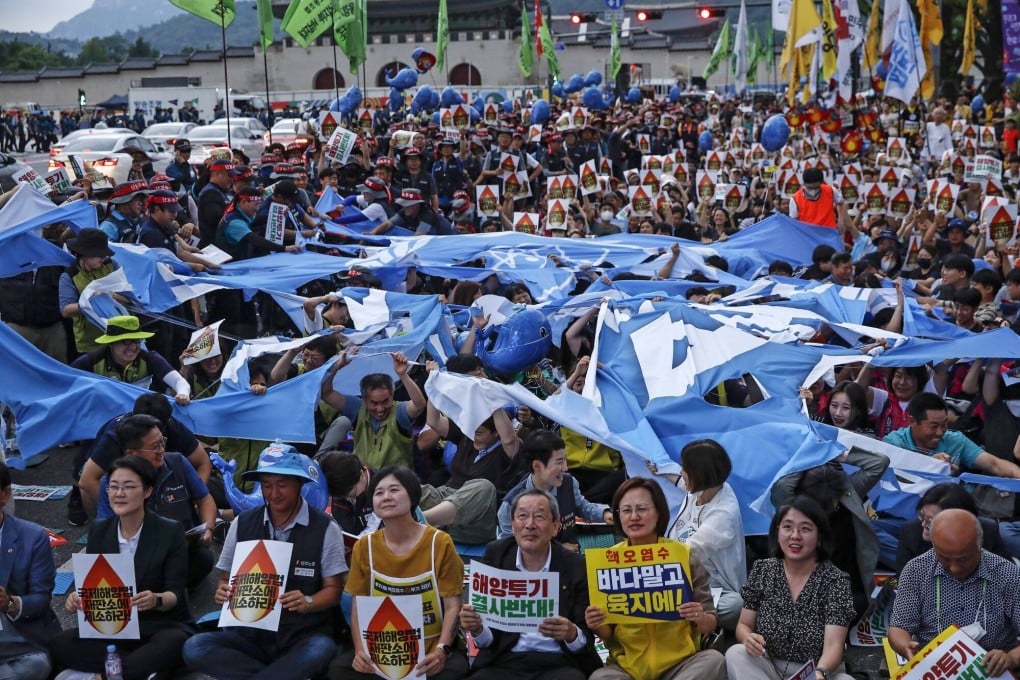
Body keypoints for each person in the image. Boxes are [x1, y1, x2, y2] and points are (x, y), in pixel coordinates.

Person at [182, 452, 347, 680]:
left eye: (282, 485)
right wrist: (223, 590)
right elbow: (225, 577)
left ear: (300, 485)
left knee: (321, 649)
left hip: (301, 633)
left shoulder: (326, 528)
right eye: (267, 485)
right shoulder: (243, 522)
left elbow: (334, 590)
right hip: (249, 634)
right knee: (195, 647)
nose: (274, 493)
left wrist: (308, 602)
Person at [50, 457, 194, 680]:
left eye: (128, 487)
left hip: (157, 626)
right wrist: (76, 598)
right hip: (113, 629)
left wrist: (155, 598)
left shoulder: (170, 531)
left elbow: (176, 594)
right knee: (59, 643)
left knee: (176, 641)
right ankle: (139, 669)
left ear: (147, 491)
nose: (119, 493)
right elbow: (93, 585)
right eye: (113, 487)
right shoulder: (100, 529)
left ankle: (107, 673)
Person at [329, 466, 470, 679]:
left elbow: (452, 605)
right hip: (383, 653)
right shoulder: (364, 547)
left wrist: (442, 649)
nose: (386, 497)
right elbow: (359, 606)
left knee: (454, 671)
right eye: (379, 493)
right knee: (340, 670)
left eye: (394, 490)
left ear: (412, 496)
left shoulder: (439, 542)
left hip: (429, 652)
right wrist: (360, 651)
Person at [584, 478, 725, 680]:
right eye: (626, 510)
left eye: (642, 508)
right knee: (600, 678)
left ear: (659, 512)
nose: (634, 517)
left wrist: (700, 617)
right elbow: (607, 634)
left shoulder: (683, 555)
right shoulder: (607, 561)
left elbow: (710, 623)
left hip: (680, 666)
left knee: (714, 660)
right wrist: (597, 623)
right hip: (628, 670)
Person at [459, 489, 603, 679]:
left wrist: (571, 633)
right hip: (505, 659)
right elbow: (487, 641)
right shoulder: (497, 554)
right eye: (523, 516)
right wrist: (477, 628)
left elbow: (585, 641)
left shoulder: (575, 565)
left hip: (558, 662)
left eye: (539, 517)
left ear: (555, 526)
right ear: (512, 524)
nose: (530, 525)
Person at [725, 496, 857, 680]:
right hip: (768, 665)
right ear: (777, 532)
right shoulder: (763, 570)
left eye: (805, 529)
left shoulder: (835, 581)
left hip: (815, 671)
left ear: (819, 536)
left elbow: (834, 646)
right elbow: (744, 624)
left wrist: (820, 673)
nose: (795, 535)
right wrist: (748, 638)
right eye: (787, 527)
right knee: (736, 653)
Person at [888, 509, 1020, 676]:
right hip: (937, 668)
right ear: (934, 545)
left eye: (963, 559)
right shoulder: (916, 570)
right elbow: (899, 626)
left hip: (993, 670)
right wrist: (904, 645)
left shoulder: (1006, 573)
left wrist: (1010, 658)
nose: (954, 568)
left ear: (979, 545)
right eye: (944, 558)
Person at [95, 414, 217, 587]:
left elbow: (205, 499)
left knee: (204, 559)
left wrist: (209, 530)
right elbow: (104, 530)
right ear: (131, 453)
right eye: (154, 447)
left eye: (162, 442)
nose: (161, 450)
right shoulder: (113, 483)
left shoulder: (178, 462)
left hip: (180, 551)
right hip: (139, 559)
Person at [649, 439, 747, 630]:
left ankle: (697, 620)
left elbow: (688, 553)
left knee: (735, 605)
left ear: (700, 475)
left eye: (685, 469)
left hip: (713, 588)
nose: (681, 473)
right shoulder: (707, 487)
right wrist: (660, 469)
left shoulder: (724, 515)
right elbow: (683, 485)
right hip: (679, 575)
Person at [497, 430, 612, 552]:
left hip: (570, 559)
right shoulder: (510, 505)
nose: (565, 468)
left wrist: (605, 514)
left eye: (565, 460)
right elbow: (509, 548)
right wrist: (556, 550)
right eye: (559, 462)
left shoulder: (569, 482)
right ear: (537, 466)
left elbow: (582, 507)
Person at [0, 460, 60, 680]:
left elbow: (41, 598)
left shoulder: (33, 537)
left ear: (5, 494)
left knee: (36, 664)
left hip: (19, 636)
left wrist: (11, 603)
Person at [320, 350, 427, 469]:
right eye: (374, 403)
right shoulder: (357, 408)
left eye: (385, 401)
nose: (380, 409)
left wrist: (403, 375)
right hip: (362, 479)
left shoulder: (398, 412)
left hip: (394, 481)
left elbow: (419, 405)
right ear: (364, 399)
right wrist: (336, 367)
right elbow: (326, 393)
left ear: (392, 396)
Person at [883, 392, 1020, 478]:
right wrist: (930, 464)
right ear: (912, 421)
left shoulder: (955, 440)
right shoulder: (893, 444)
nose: (940, 432)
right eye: (933, 426)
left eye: (944, 425)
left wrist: (1016, 474)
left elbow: (995, 464)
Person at [70, 315, 191, 405]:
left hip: (140, 415)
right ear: (111, 343)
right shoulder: (91, 361)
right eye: (126, 341)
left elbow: (178, 382)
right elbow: (67, 382)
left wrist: (183, 394)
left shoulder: (150, 358)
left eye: (137, 340)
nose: (133, 347)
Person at [895, 483, 1012, 572]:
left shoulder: (987, 530)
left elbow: (1006, 573)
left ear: (960, 519)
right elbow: (905, 581)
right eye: (921, 516)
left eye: (930, 521)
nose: (923, 524)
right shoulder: (910, 532)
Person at [58, 228, 121, 355]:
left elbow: (129, 297)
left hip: (118, 338)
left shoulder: (112, 265)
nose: (104, 257)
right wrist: (90, 302)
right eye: (99, 253)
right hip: (89, 345)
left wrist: (112, 296)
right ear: (84, 253)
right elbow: (65, 310)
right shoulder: (69, 276)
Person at [789, 167, 849, 238]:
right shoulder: (795, 199)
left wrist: (841, 220)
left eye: (816, 187)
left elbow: (841, 203)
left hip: (830, 234)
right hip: (809, 237)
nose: (813, 191)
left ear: (821, 182)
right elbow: (794, 223)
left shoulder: (830, 190)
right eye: (810, 188)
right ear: (804, 184)